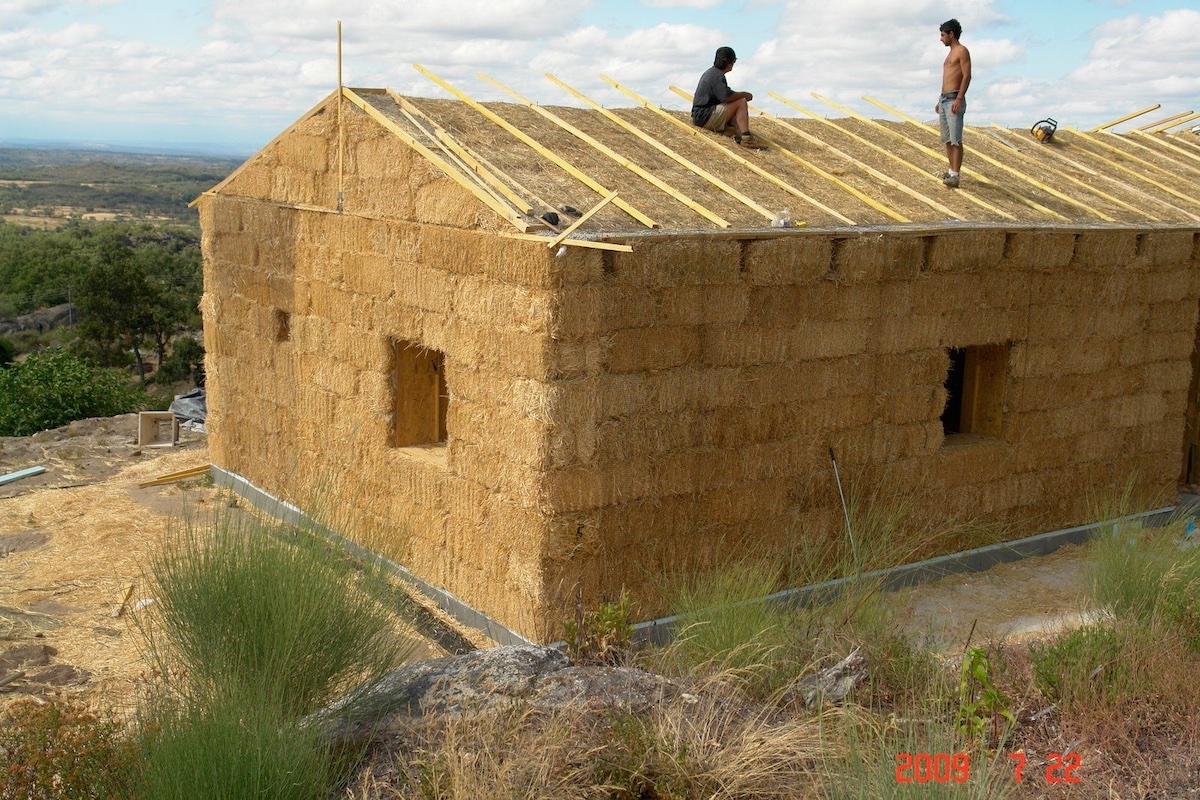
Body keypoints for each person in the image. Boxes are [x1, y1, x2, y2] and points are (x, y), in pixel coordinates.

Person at [691, 46, 768, 150]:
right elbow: (727, 97)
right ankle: (746, 139)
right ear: (729, 62)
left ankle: (735, 133)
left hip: (701, 115)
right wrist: (744, 95)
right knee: (741, 102)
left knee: (735, 111)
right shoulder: (717, 76)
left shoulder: (713, 73)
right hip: (704, 116)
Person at [935, 19, 971, 188]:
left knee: (955, 139)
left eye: (943, 35)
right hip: (944, 99)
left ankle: (955, 175)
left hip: (954, 99)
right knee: (947, 139)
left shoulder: (961, 51)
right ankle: (951, 171)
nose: (941, 38)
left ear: (951, 34)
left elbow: (966, 76)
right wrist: (939, 100)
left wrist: (959, 98)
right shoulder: (949, 53)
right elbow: (947, 78)